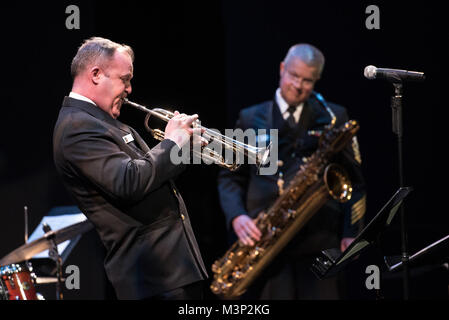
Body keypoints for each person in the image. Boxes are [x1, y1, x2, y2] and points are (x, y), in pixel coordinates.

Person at [53, 37, 208, 300]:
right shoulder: (77, 128)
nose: (130, 89)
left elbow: (149, 173)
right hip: (152, 277)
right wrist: (172, 143)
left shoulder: (100, 121)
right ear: (96, 74)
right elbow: (129, 182)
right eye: (124, 79)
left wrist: (186, 148)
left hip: (172, 272)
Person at [217, 43, 366, 299]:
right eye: (294, 76)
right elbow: (229, 177)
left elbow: (355, 181)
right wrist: (237, 216)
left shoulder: (334, 117)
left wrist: (352, 232)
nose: (298, 85)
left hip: (319, 242)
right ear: (282, 69)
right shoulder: (249, 118)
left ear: (317, 80)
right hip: (266, 243)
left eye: (308, 80)